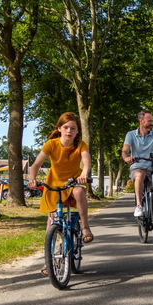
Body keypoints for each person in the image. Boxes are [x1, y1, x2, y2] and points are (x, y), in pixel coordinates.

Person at [28, 112, 93, 275]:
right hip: (53, 184)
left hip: (73, 182)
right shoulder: (51, 144)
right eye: (66, 127)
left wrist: (84, 174)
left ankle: (85, 228)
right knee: (51, 222)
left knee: (79, 192)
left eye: (73, 128)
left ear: (77, 131)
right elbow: (35, 165)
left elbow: (86, 161)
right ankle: (48, 262)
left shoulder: (80, 145)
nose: (69, 131)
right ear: (59, 129)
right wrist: (32, 179)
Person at [122, 109, 153, 217]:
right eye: (149, 121)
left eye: (152, 121)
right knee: (140, 174)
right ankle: (139, 205)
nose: (152, 123)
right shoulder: (130, 135)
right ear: (141, 121)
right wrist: (126, 157)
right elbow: (125, 151)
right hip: (137, 166)